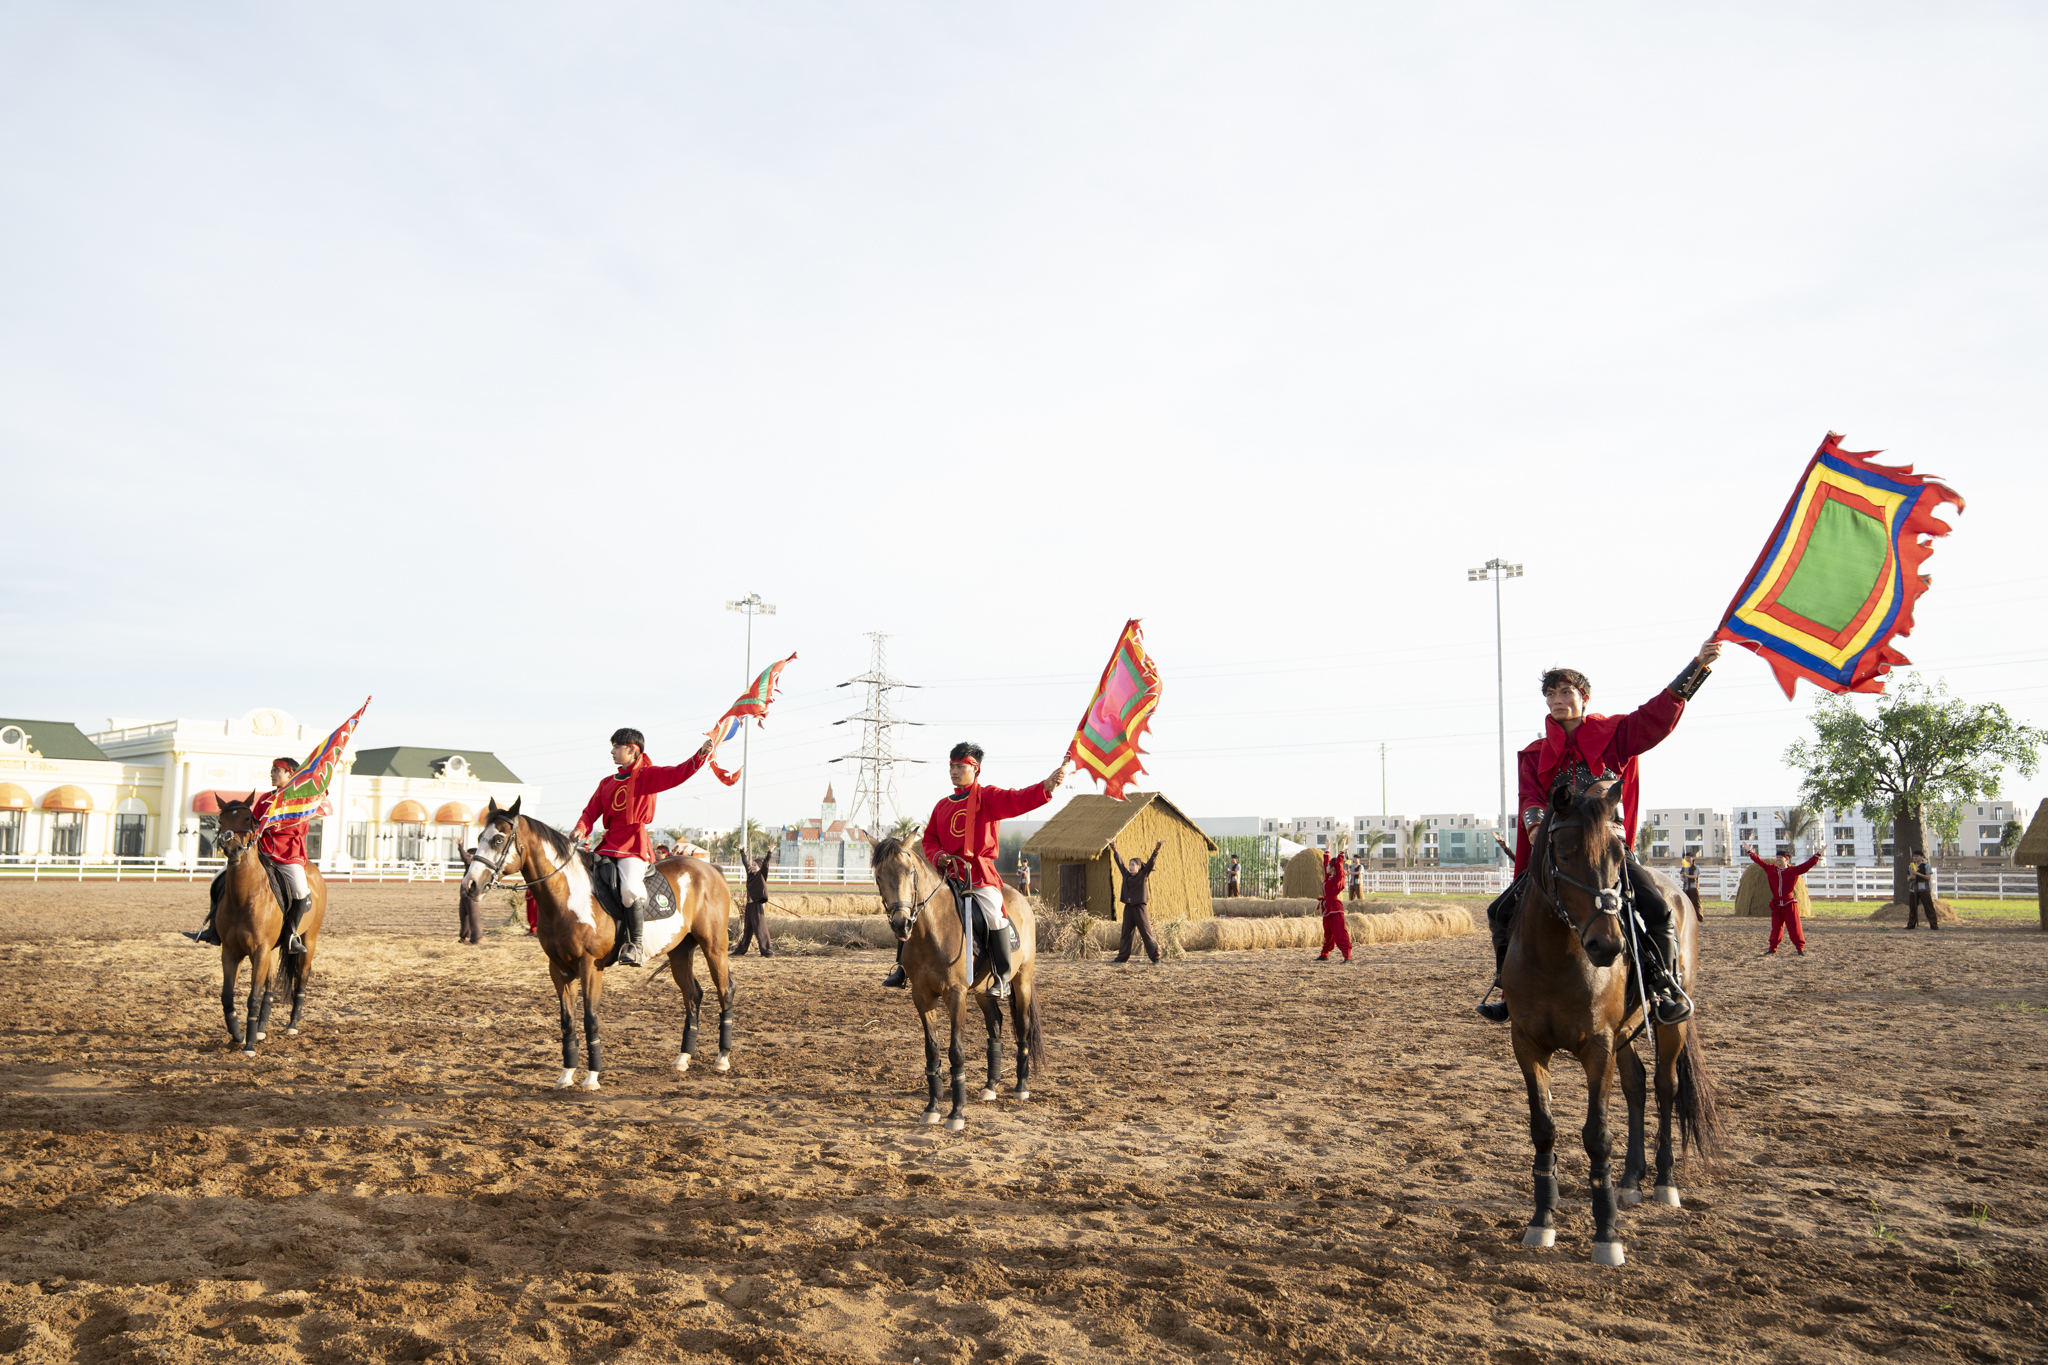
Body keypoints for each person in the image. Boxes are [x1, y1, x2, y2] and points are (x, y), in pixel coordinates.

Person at [1476, 637, 1725, 1025]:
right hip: (1561, 852)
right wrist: (1535, 826)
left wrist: (1698, 666)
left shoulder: (1615, 734)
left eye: (1565, 692)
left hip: (1608, 850)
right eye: (1550, 694)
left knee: (1658, 908)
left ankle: (1663, 988)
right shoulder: (1534, 754)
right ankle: (1508, 990)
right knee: (1500, 911)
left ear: (1584, 697)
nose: (1557, 700)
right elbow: (1530, 797)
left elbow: (1657, 716)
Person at [884, 742, 1066, 997]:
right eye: (951, 767)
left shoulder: (988, 797)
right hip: (947, 877)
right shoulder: (942, 805)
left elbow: (1017, 799)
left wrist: (1045, 785)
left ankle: (1002, 976)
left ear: (975, 768)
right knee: (913, 908)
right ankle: (902, 967)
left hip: (978, 875)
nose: (954, 771)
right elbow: (930, 839)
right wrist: (938, 856)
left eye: (960, 766)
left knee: (994, 913)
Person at [569, 729, 713, 966]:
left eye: (616, 747)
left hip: (633, 844)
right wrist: (580, 828)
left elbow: (678, 773)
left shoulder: (648, 776)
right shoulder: (606, 783)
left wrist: (700, 755)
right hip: (608, 844)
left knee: (630, 889)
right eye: (613, 747)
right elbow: (590, 812)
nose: (612, 751)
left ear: (632, 750)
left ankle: (635, 945)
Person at [183, 757, 313, 953]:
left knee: (301, 890)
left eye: (277, 770)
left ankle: (291, 935)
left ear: (291, 774)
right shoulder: (265, 799)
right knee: (218, 878)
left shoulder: (300, 801)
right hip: (261, 851)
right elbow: (252, 823)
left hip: (287, 853)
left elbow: (300, 828)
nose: (272, 773)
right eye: (272, 770)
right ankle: (212, 930)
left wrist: (272, 827)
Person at [1749, 846, 1819, 954]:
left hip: (1789, 903)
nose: (1777, 859)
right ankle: (1772, 948)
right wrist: (1750, 852)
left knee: (1794, 926)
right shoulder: (1771, 869)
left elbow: (1807, 865)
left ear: (1786, 859)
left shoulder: (1793, 870)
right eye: (1777, 857)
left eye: (1780, 857)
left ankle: (1800, 949)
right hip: (1777, 904)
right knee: (1776, 927)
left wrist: (1817, 855)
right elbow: (1760, 861)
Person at [1111, 840, 1165, 964]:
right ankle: (1122, 958)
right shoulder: (1126, 875)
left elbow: (1150, 863)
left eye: (1133, 865)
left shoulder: (1143, 875)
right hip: (1128, 908)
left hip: (1140, 908)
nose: (1130, 867)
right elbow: (1120, 863)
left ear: (1139, 867)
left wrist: (1156, 850)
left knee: (1146, 932)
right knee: (1125, 934)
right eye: (1130, 865)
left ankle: (1155, 956)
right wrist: (1114, 848)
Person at [735, 851, 774, 957]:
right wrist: (742, 852)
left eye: (755, 865)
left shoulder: (762, 875)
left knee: (760, 929)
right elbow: (746, 863)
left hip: (757, 906)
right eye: (752, 864)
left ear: (760, 867)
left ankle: (767, 951)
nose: (752, 866)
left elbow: (765, 864)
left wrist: (769, 853)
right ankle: (741, 950)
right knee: (747, 930)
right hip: (749, 906)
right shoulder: (750, 875)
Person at [1316, 850, 1352, 962]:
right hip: (1327, 908)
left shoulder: (1337, 879)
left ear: (1333, 868)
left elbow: (1339, 867)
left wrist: (1342, 852)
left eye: (1329, 866)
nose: (1326, 867)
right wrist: (1327, 851)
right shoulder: (1329, 878)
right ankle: (1324, 954)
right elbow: (1325, 866)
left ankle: (1347, 956)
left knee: (1340, 932)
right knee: (1328, 933)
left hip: (1335, 908)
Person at [456, 844, 483, 943]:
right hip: (464, 896)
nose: (466, 858)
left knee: (474, 917)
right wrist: (460, 846)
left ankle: (477, 938)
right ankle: (464, 937)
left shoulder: (477, 869)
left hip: (472, 896)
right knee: (464, 918)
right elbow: (463, 857)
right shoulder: (468, 866)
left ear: (474, 857)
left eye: (469, 856)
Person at [1907, 854, 1941, 930]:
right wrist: (1910, 878)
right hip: (1913, 889)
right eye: (1914, 856)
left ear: (1921, 857)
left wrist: (1917, 874)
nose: (1915, 858)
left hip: (1923, 888)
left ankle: (1933, 925)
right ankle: (1911, 924)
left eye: (1917, 856)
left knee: (1928, 907)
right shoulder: (1911, 866)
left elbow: (1928, 877)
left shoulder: (1926, 866)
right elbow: (1908, 878)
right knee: (1912, 907)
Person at [1677, 853, 1701, 918]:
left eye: (1689, 857)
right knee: (1686, 902)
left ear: (1692, 858)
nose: (1687, 859)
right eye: (1686, 858)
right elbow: (1681, 875)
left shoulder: (1696, 868)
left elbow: (1695, 876)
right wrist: (1682, 878)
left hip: (1693, 887)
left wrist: (1686, 875)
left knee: (1695, 902)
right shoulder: (1684, 868)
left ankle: (1698, 915)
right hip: (1686, 887)